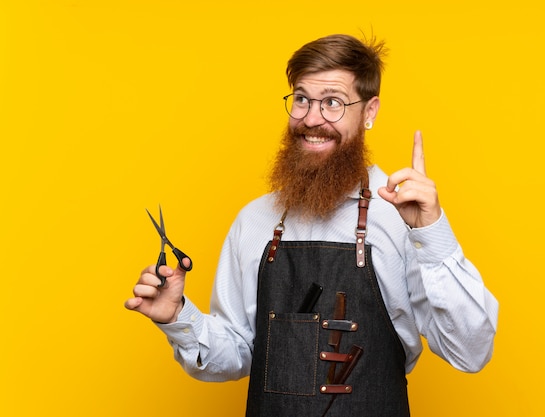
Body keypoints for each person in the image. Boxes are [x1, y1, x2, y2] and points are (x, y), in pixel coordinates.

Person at [125, 34, 498, 417]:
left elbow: (471, 352)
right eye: (301, 99)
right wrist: (177, 316)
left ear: (369, 111)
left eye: (332, 102)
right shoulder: (254, 221)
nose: (311, 118)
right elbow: (236, 352)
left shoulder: (403, 220)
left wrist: (432, 232)